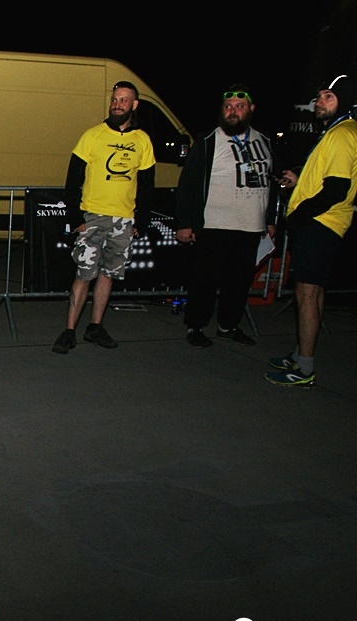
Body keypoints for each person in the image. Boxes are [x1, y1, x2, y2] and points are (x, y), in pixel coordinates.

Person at [174, 84, 294, 349]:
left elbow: (273, 181)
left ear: (251, 109)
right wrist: (185, 223)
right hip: (214, 224)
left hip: (251, 225)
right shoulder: (208, 141)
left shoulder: (264, 141)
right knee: (205, 280)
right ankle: (196, 326)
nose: (232, 112)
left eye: (239, 107)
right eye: (228, 107)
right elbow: (188, 185)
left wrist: (271, 219)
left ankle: (228, 326)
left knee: (239, 282)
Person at [266, 74, 357, 388]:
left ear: (345, 101)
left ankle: (304, 369)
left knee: (306, 293)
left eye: (329, 97)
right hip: (323, 224)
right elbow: (321, 177)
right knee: (314, 292)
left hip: (321, 224)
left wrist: (299, 215)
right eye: (319, 96)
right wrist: (297, 178)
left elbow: (336, 188)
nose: (320, 102)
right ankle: (300, 355)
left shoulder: (343, 133)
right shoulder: (336, 132)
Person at [52, 81, 155, 354]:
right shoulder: (92, 135)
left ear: (134, 105)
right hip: (92, 217)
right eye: (114, 100)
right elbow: (73, 179)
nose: (117, 105)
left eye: (123, 100)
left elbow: (147, 185)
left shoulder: (142, 140)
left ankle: (95, 327)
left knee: (109, 274)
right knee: (84, 273)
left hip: (124, 220)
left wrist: (141, 221)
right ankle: (69, 330)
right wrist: (76, 216)